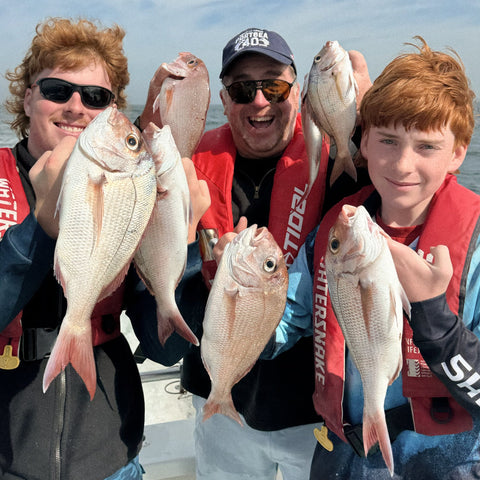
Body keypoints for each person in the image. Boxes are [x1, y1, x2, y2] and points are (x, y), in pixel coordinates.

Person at [136, 27, 372, 480]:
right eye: (243, 89)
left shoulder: (340, 161)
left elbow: (402, 187)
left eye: (275, 86)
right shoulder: (186, 167)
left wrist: (363, 121)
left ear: (298, 92)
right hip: (219, 400)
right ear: (224, 101)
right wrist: (146, 121)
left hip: (316, 408)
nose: (260, 100)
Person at [0, 17, 210, 480]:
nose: (76, 106)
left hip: (110, 457)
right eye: (57, 90)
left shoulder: (129, 193)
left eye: (96, 97)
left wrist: (185, 241)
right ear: (28, 98)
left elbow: (165, 350)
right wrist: (39, 230)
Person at [262, 36, 480, 479]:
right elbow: (282, 326)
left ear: (458, 153)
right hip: (344, 456)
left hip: (445, 462)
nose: (402, 164)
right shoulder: (335, 233)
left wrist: (434, 316)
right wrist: (240, 293)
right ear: (362, 142)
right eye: (388, 140)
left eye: (426, 146)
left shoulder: (474, 245)